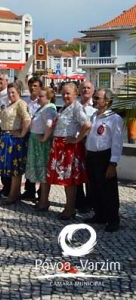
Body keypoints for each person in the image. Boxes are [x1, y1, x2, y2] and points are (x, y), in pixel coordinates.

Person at [44, 83, 91, 220]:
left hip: (68, 148)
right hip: (60, 146)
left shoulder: (76, 107)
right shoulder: (65, 107)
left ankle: (70, 209)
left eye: (68, 93)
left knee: (69, 181)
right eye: (63, 93)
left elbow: (87, 124)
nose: (65, 96)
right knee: (66, 180)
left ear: (75, 94)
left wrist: (77, 139)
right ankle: (69, 207)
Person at [84, 88, 123, 232]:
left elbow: (117, 143)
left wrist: (113, 163)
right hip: (92, 156)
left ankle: (113, 219)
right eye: (94, 97)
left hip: (105, 156)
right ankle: (99, 215)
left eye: (97, 98)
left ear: (106, 101)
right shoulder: (94, 116)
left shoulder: (114, 118)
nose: (94, 100)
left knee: (109, 190)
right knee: (94, 187)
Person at [0, 84, 31, 205]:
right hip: (5, 137)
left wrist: (22, 133)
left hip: (14, 140)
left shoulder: (21, 104)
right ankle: (13, 192)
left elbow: (27, 119)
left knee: (15, 168)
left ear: (19, 92)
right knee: (9, 168)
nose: (11, 95)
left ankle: (13, 194)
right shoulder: (9, 104)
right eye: (9, 93)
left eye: (13, 93)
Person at [27, 88, 57, 211]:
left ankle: (44, 201)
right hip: (36, 142)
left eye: (42, 96)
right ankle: (42, 200)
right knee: (40, 173)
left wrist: (44, 138)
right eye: (39, 96)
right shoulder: (42, 108)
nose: (39, 98)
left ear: (48, 97)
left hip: (41, 146)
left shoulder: (49, 108)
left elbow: (50, 125)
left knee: (44, 173)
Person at [21, 77, 43, 202]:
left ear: (40, 87)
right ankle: (29, 190)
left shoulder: (42, 103)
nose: (32, 88)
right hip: (27, 135)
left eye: (35, 85)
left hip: (38, 136)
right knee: (28, 163)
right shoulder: (25, 102)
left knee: (39, 163)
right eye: (30, 85)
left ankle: (41, 192)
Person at [76, 81, 96, 213]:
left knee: (89, 173)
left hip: (89, 143)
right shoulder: (75, 106)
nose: (86, 90)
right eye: (83, 88)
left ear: (92, 91)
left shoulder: (96, 108)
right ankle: (79, 201)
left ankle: (91, 201)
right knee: (77, 172)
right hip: (76, 143)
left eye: (88, 88)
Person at [0, 73, 11, 197]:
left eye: (1, 79)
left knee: (7, 160)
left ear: (6, 80)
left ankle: (9, 188)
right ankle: (5, 186)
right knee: (1, 159)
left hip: (7, 131)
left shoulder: (8, 95)